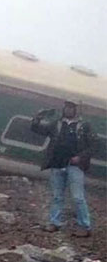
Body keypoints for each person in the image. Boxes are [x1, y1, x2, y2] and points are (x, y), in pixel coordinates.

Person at [31, 100, 95, 237]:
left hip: (75, 166)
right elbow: (38, 129)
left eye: (72, 108)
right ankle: (55, 223)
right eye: (67, 107)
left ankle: (85, 226)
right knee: (57, 196)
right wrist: (37, 118)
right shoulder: (57, 123)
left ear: (77, 110)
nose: (68, 110)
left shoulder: (85, 126)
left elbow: (93, 146)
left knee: (78, 197)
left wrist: (80, 157)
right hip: (57, 163)